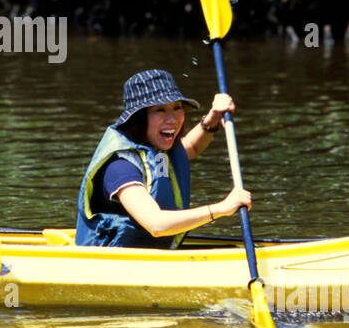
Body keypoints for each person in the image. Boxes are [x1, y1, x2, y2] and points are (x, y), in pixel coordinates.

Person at [76, 68, 252, 248]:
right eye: (160, 110)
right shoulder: (120, 167)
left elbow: (191, 147)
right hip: (116, 263)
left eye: (177, 108)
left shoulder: (158, 150)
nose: (172, 119)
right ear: (138, 118)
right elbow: (156, 224)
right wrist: (221, 208)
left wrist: (213, 118)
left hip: (152, 255)